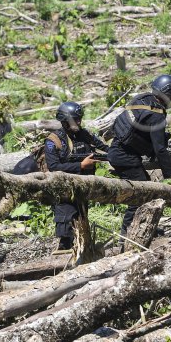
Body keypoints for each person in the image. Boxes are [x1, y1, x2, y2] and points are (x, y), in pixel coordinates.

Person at [108, 74, 171, 240]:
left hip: (119, 150)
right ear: (167, 93)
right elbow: (160, 149)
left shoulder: (142, 99)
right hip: (125, 157)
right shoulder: (157, 115)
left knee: (144, 190)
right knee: (140, 194)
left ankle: (142, 227)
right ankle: (128, 232)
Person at [45, 101, 109, 251]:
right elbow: (54, 167)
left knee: (82, 219)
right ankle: (64, 258)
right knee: (66, 225)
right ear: (64, 121)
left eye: (79, 119)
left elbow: (104, 148)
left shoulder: (84, 134)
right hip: (64, 188)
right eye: (75, 119)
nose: (78, 122)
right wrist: (80, 165)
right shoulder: (53, 141)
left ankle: (83, 252)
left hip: (83, 186)